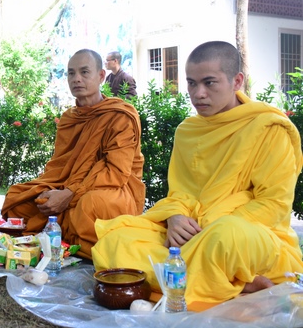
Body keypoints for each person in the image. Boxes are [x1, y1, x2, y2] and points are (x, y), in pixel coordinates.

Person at [92, 41, 303, 306]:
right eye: (192, 83)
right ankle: (233, 285)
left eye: (209, 83)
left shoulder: (269, 128)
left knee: (224, 237)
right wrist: (175, 217)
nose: (198, 93)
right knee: (116, 240)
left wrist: (207, 226)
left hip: (246, 238)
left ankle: (189, 282)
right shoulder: (188, 131)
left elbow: (273, 205)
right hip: (191, 232)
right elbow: (180, 192)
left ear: (237, 81)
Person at [1, 49, 145, 259]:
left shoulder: (120, 116)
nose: (76, 79)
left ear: (101, 76)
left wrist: (69, 195)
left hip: (114, 189)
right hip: (70, 185)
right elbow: (59, 168)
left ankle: (70, 238)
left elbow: (116, 173)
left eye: (84, 72)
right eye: (71, 73)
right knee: (18, 199)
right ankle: (64, 235)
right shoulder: (69, 118)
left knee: (87, 206)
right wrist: (50, 190)